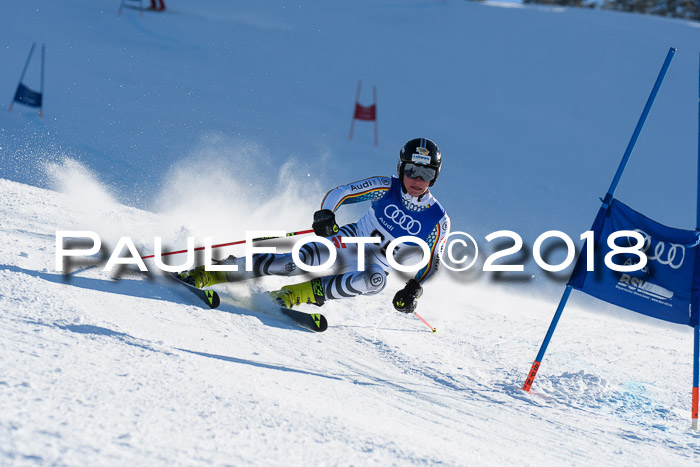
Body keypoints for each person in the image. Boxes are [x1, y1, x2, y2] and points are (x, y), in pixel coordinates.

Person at [178, 137, 451, 314]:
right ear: (401, 169)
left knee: (376, 282)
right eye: (411, 170)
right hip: (349, 241)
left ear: (434, 178)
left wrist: (414, 287)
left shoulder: (437, 219)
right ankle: (212, 272)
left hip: (376, 263)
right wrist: (327, 216)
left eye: (425, 173)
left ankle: (293, 296)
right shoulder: (386, 186)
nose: (417, 179)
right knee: (292, 264)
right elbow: (342, 193)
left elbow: (433, 262)